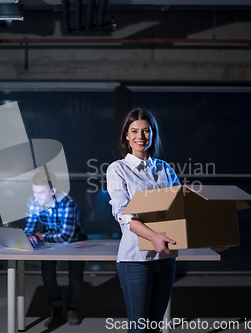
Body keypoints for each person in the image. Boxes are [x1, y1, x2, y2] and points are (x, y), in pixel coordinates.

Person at [106, 108, 181, 333]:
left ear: (153, 134)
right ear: (126, 136)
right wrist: (153, 236)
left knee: (154, 328)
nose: (141, 136)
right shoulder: (117, 169)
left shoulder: (164, 169)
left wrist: (211, 240)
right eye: (135, 131)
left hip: (165, 259)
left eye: (146, 131)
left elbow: (182, 210)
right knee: (139, 329)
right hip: (135, 261)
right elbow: (124, 214)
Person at [24, 169, 87, 328]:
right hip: (49, 237)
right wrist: (29, 236)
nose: (36, 197)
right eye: (34, 192)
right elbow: (29, 227)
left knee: (76, 278)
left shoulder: (68, 203)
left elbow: (66, 236)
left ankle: (72, 308)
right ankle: (56, 308)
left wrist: (41, 237)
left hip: (75, 239)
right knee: (47, 273)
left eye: (40, 192)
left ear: (52, 191)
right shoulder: (33, 201)